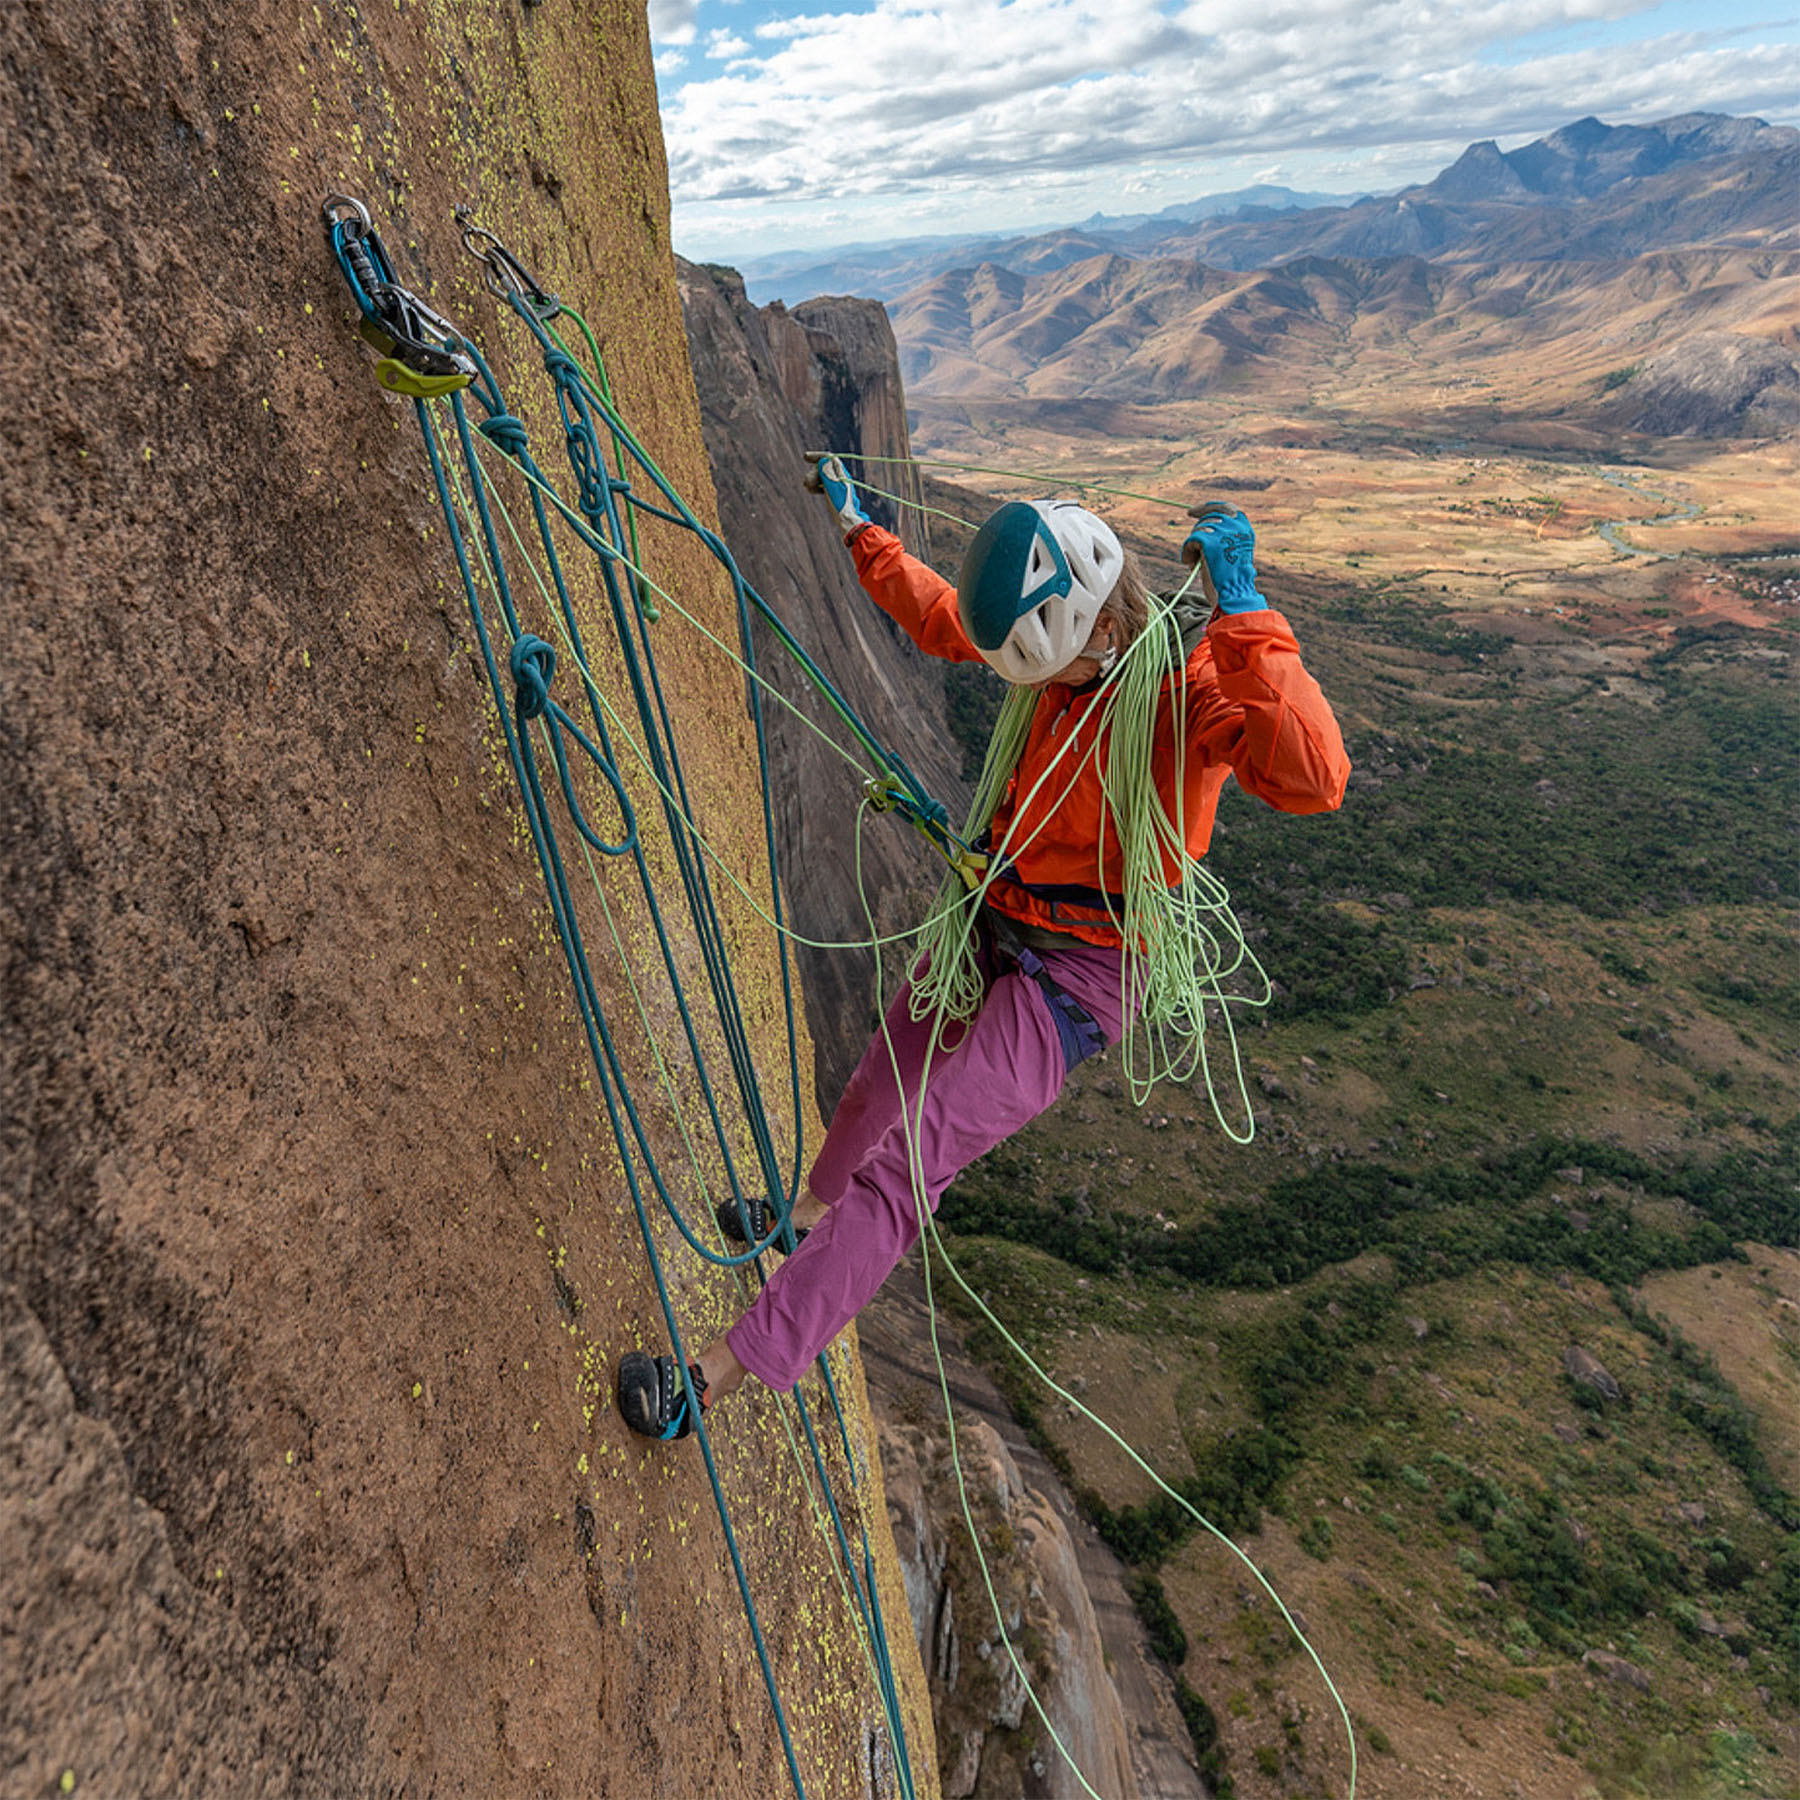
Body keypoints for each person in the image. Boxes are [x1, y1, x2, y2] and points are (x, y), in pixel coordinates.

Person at [616, 459, 1350, 1439]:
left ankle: (710, 1382)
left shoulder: (1188, 699)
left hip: (1080, 980)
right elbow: (939, 615)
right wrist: (860, 531)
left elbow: (1314, 777)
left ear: (1100, 631)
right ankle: (805, 1217)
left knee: (906, 1168)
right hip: (995, 914)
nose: (1029, 688)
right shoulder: (1048, 648)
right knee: (876, 1086)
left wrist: (1245, 614)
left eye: (1047, 673)